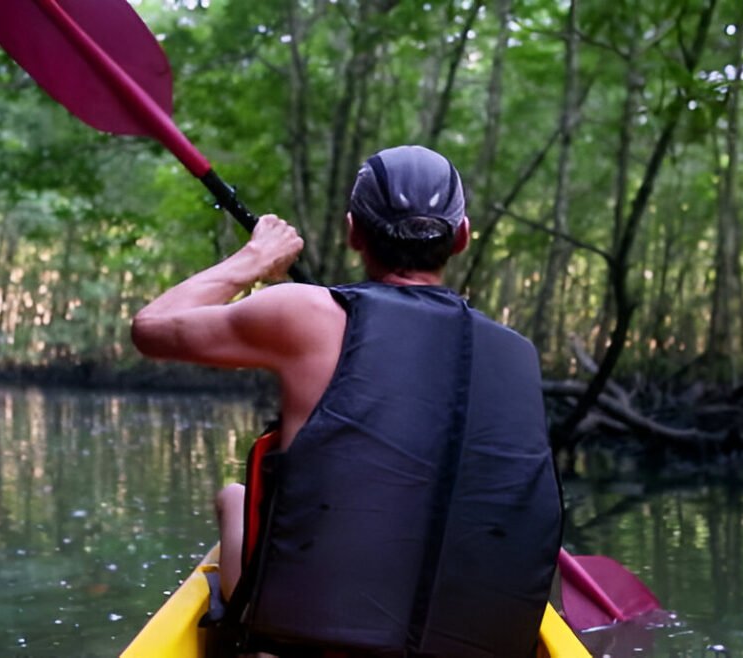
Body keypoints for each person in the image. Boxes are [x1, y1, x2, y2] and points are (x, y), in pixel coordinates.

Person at [131, 145, 562, 657]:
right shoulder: (518, 355)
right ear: (462, 236)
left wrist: (256, 258)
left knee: (235, 496)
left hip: (307, 647)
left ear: (354, 231)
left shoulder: (306, 313)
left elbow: (151, 327)